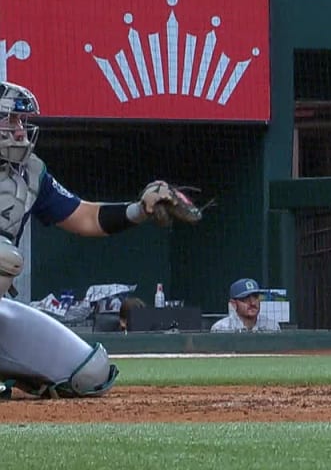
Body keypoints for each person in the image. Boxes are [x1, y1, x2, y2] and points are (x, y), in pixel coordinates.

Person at [0, 81, 190, 398]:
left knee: (89, 373)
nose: (21, 130)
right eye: (11, 121)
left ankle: (15, 380)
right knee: (4, 256)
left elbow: (86, 217)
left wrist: (138, 210)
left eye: (22, 122)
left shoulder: (30, 174)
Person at [210, 278, 281, 333]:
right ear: (233, 304)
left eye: (255, 297)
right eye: (245, 299)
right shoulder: (221, 328)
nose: (252, 303)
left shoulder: (272, 326)